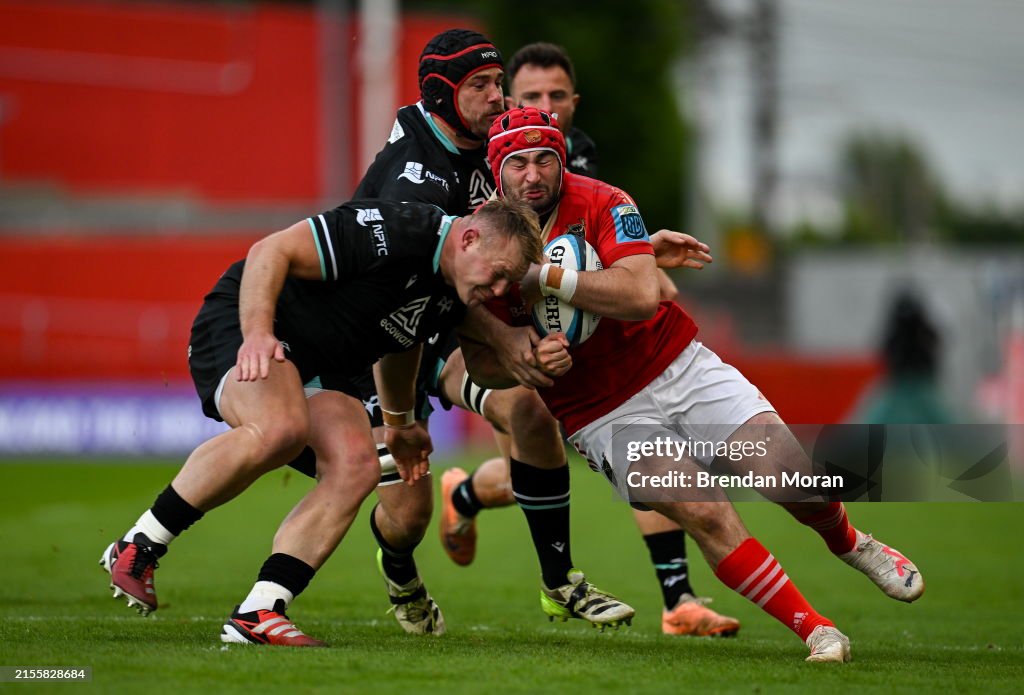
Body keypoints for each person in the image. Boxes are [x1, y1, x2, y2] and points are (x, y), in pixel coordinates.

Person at [470, 106, 927, 662]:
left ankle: (851, 544)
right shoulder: (480, 239)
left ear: (562, 159)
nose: (534, 174)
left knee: (794, 480)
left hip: (677, 365)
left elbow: (642, 297)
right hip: (600, 412)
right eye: (518, 163)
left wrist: (544, 275)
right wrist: (530, 362)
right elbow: (480, 364)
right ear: (497, 172)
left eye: (546, 159)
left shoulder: (605, 201)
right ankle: (816, 629)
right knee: (705, 510)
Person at [286, 28, 635, 634]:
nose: (499, 98)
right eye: (482, 86)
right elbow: (427, 288)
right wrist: (500, 342)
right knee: (408, 512)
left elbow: (555, 229)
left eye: (499, 83)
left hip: (444, 322)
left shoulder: (495, 146)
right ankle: (401, 573)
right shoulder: (415, 177)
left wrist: (636, 252)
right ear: (444, 95)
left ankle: (560, 583)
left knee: (527, 408)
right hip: (381, 340)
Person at [99, 197, 541, 647]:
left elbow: (402, 342)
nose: (502, 289)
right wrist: (257, 333)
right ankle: (139, 545)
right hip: (249, 320)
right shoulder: (394, 231)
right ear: (468, 239)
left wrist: (401, 423)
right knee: (280, 429)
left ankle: (259, 611)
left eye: (510, 281)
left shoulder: (452, 288)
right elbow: (270, 251)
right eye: (499, 272)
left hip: (322, 362)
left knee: (359, 465)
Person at [438, 42, 736, 638]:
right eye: (529, 96)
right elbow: (472, 273)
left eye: (555, 96)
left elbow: (573, 246)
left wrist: (641, 255)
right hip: (462, 335)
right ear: (506, 104)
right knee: (530, 411)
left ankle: (676, 597)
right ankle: (548, 567)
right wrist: (512, 337)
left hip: (543, 324)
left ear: (573, 103)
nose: (545, 105)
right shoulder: (472, 172)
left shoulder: (576, 164)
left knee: (619, 434)